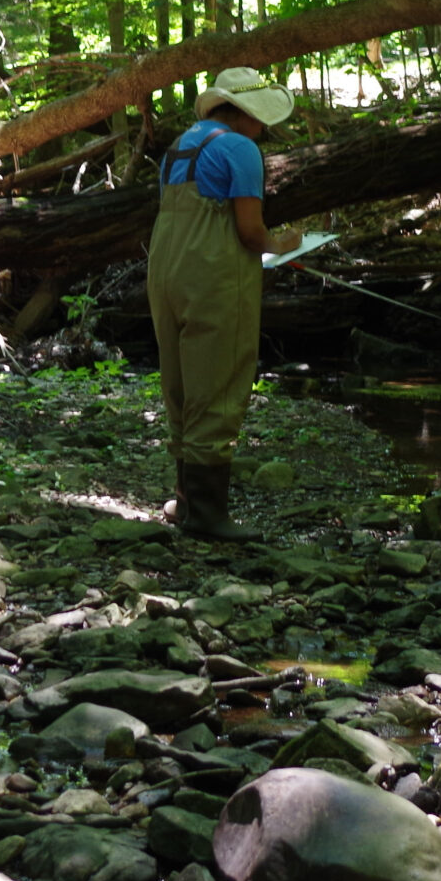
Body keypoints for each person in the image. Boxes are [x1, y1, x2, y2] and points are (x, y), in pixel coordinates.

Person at [148, 67, 301, 541]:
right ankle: (209, 515)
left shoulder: (181, 145)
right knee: (218, 381)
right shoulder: (240, 149)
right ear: (244, 113)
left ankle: (185, 500)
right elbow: (250, 232)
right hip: (213, 272)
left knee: (180, 382)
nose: (264, 129)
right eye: (261, 119)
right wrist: (287, 243)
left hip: (165, 269)